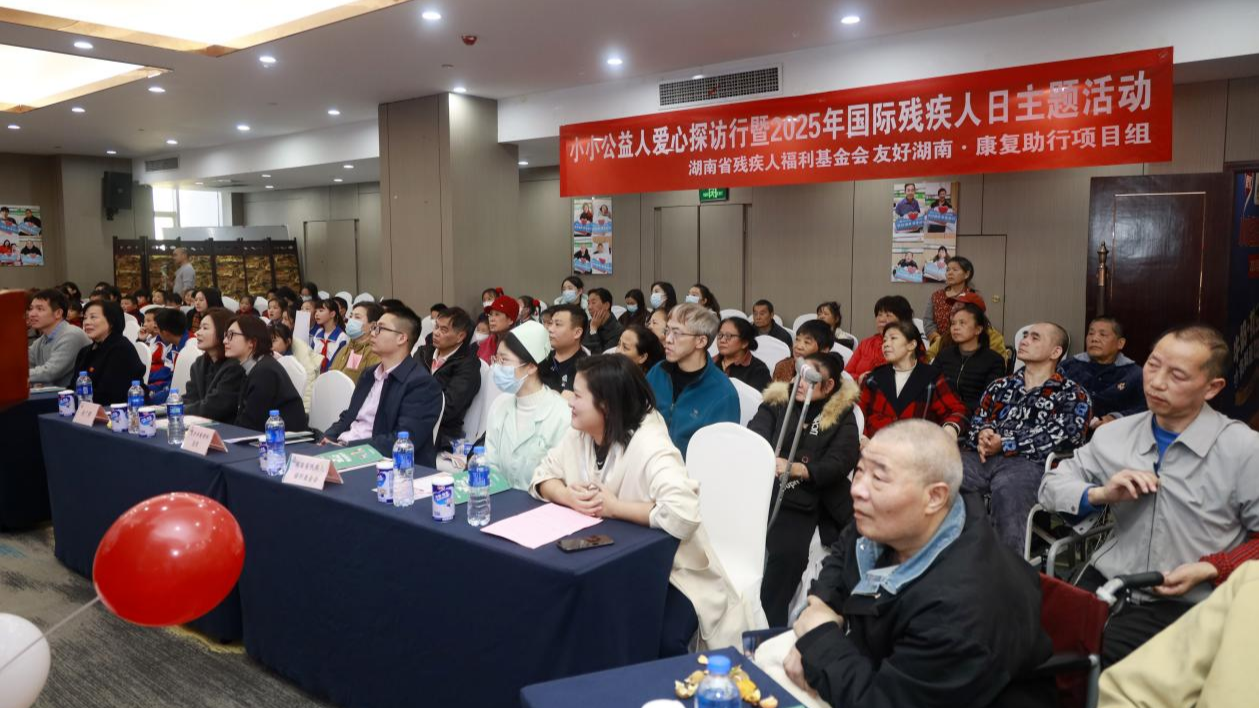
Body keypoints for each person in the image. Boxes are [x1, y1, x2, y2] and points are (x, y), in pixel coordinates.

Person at [784, 420, 1054, 708]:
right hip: (880, 663)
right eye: (860, 471)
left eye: (879, 479)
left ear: (935, 497)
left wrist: (820, 640)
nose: (857, 490)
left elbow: (884, 702)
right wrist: (822, 606)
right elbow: (846, 549)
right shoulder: (903, 519)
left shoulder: (960, 610)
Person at [1039, 324, 1259, 667]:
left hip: (1190, 602)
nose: (1156, 382)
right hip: (1109, 582)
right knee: (1032, 648)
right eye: (1153, 366)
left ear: (1212, 388)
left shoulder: (1243, 449)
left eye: (1177, 375)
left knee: (1094, 668)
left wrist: (1213, 568)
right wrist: (1099, 493)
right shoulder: (1115, 435)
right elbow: (1051, 486)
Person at [532, 355, 758, 652]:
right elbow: (543, 474)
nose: (569, 402)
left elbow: (682, 514)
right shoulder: (580, 431)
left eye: (578, 395)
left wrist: (615, 508)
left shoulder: (650, 442)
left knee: (658, 636)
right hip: (606, 565)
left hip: (671, 572)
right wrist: (566, 495)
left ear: (606, 405)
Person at [748, 351, 860, 627]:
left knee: (786, 557)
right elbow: (756, 432)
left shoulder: (840, 413)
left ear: (829, 385)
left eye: (810, 379)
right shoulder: (779, 401)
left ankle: (768, 626)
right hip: (765, 487)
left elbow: (841, 460)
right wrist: (766, 457)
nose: (801, 383)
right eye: (799, 375)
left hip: (806, 495)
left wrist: (801, 469)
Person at [962, 322, 1091, 551]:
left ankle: (1008, 567)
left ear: (1055, 352)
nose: (1024, 341)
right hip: (984, 457)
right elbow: (978, 419)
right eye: (1025, 336)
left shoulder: (1072, 393)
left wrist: (1006, 443)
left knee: (1009, 490)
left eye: (1035, 337)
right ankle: (951, 555)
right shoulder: (1000, 386)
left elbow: (1067, 436)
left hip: (1031, 463)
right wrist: (983, 434)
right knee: (942, 472)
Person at [1097, 562, 1259, 706]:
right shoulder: (1249, 584)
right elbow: (1131, 694)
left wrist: (1212, 567)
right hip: (1114, 577)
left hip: (1185, 600)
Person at [320, 308, 444, 462]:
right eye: (373, 328)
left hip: (382, 462)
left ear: (401, 338)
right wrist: (328, 437)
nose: (372, 333)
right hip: (344, 450)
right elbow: (349, 416)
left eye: (380, 328)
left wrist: (348, 448)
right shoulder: (369, 374)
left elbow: (403, 440)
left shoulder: (422, 384)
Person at [484, 321, 571, 490]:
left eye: (504, 360)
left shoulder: (562, 415)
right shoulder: (499, 405)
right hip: (500, 498)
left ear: (531, 367)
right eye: (497, 359)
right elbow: (490, 464)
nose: (497, 367)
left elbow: (560, 478)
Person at [645, 303, 740, 457]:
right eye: (667, 330)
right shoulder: (659, 371)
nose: (667, 339)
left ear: (701, 341)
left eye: (677, 333)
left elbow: (719, 456)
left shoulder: (723, 395)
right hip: (649, 460)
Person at [858, 320, 968, 439]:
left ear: (911, 345)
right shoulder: (873, 379)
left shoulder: (933, 378)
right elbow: (859, 414)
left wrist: (951, 427)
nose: (886, 344)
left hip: (917, 446)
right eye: (884, 340)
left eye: (893, 338)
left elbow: (957, 409)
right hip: (875, 445)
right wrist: (862, 438)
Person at [415, 306, 482, 452]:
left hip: (443, 432)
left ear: (460, 336)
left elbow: (449, 408)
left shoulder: (468, 365)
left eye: (444, 330)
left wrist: (413, 406)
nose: (436, 333)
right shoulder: (423, 353)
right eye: (436, 327)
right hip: (413, 422)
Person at [224, 314, 308, 432]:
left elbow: (251, 425)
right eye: (226, 335)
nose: (224, 341)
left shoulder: (265, 372)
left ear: (252, 342)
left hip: (284, 440)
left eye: (231, 335)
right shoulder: (254, 366)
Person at [1060, 316, 1146, 429]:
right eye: (1091, 333)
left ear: (1120, 343)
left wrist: (1115, 418)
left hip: (1114, 433)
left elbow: (1146, 409)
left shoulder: (1134, 374)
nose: (1094, 339)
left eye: (1103, 334)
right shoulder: (1068, 366)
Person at [931, 302, 1007, 413]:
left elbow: (989, 399)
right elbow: (931, 385)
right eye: (953, 323)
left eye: (962, 323)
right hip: (942, 411)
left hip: (973, 415)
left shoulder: (994, 361)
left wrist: (959, 410)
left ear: (978, 329)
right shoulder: (944, 355)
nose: (956, 328)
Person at [71, 301, 147, 406]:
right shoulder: (85, 351)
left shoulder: (121, 349)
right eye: (85, 318)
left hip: (120, 411)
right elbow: (73, 386)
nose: (87, 322)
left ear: (111, 322)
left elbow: (110, 395)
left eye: (93, 317)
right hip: (87, 408)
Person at [184, 308, 246, 422]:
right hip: (198, 424)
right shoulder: (199, 364)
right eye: (199, 328)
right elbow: (190, 398)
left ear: (222, 332)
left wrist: (179, 410)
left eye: (205, 328)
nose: (198, 333)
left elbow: (215, 407)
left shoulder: (235, 366)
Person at [27, 289, 90, 388]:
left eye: (39, 309)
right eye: (31, 309)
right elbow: (22, 362)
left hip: (74, 395)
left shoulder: (72, 335)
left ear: (58, 313)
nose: (31, 314)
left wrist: (15, 375)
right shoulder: (42, 340)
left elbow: (51, 372)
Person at [846, 295, 914, 380]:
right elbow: (846, 374)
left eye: (888, 315)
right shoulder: (865, 344)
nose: (881, 319)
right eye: (879, 315)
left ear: (902, 319)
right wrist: (860, 378)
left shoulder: (910, 345)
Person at [328, 301, 384, 383]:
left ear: (373, 326)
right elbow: (331, 372)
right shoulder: (346, 348)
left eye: (357, 317)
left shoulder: (376, 353)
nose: (351, 320)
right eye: (351, 316)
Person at [540, 304, 588, 396]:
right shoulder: (542, 357)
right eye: (551, 323)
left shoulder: (585, 368)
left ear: (577, 333)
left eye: (557, 324)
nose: (550, 329)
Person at [714, 316, 771, 391]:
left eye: (728, 336)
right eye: (720, 335)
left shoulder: (758, 370)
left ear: (744, 343)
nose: (722, 340)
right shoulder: (709, 363)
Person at [148, 308, 189, 403]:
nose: (157, 334)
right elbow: (167, 373)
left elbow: (179, 384)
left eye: (158, 329)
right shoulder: (175, 345)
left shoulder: (189, 348)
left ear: (165, 333)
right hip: (172, 387)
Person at [478, 294, 520, 364]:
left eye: (497, 314)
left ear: (510, 320)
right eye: (490, 314)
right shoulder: (487, 342)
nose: (491, 319)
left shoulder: (518, 346)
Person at [311, 298, 349, 372]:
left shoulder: (342, 337)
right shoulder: (317, 335)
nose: (316, 314)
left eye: (321, 311)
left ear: (332, 314)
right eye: (316, 311)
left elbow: (341, 363)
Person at [581, 287, 623, 354]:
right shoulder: (587, 324)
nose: (589, 307)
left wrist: (593, 330)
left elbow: (602, 356)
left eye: (593, 303)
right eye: (588, 303)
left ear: (606, 305)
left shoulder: (618, 330)